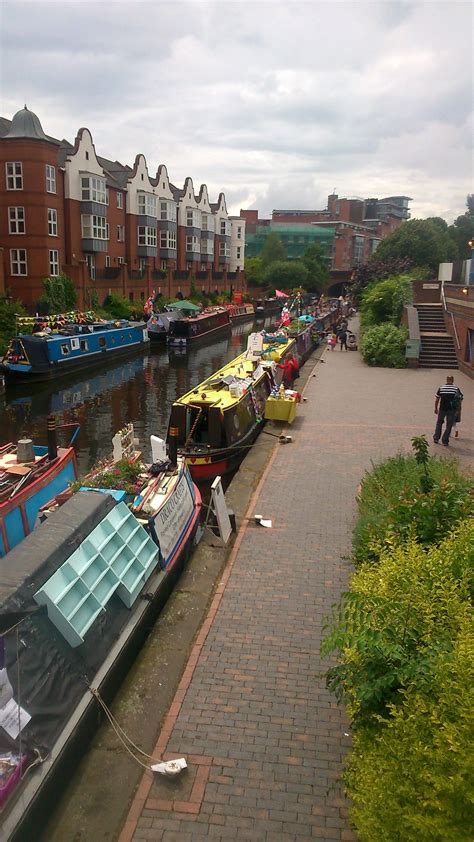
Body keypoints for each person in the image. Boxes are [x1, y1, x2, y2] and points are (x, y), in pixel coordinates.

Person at [433, 375, 463, 447]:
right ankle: (445, 441)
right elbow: (460, 399)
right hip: (451, 409)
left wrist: (436, 408)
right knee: (449, 425)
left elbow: (437, 399)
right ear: (453, 380)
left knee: (439, 423)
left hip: (442, 408)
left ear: (446, 380)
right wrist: (458, 410)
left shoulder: (441, 388)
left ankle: (436, 438)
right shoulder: (456, 389)